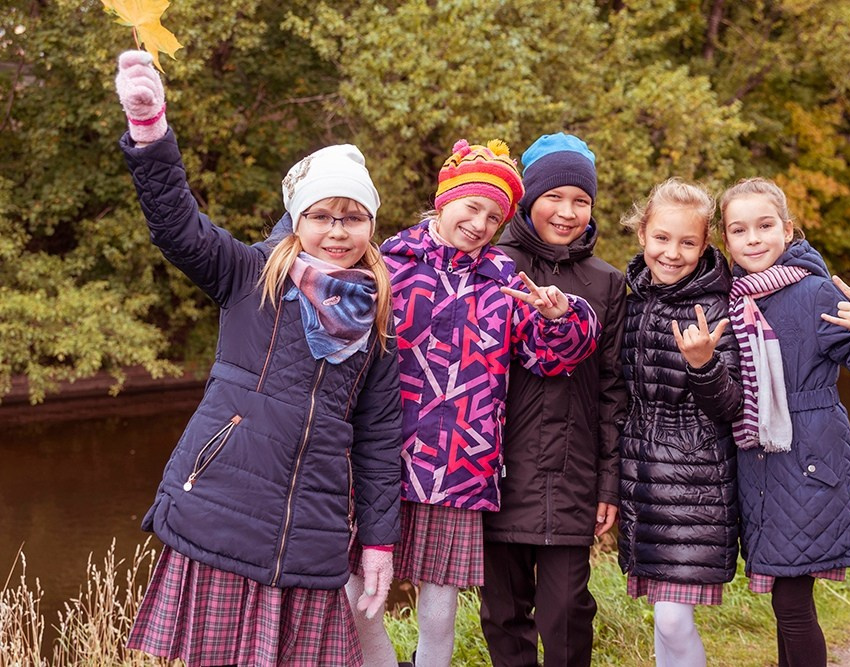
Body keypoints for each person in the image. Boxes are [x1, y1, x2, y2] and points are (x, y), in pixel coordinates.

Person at [114, 50, 403, 667]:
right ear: (297, 221)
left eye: (353, 218)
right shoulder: (249, 274)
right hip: (222, 508)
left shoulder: (377, 316)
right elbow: (176, 227)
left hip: (314, 529)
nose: (337, 230)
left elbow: (379, 437)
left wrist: (378, 540)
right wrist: (150, 131)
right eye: (322, 215)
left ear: (370, 225)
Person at [343, 139, 601, 667]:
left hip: (462, 461)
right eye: (472, 207)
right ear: (444, 200)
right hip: (380, 460)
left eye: (494, 216)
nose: (481, 224)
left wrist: (561, 317)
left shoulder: (504, 279)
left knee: (439, 608)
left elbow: (553, 359)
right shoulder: (389, 264)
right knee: (359, 593)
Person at [720, 177, 850, 667]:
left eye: (764, 226)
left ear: (788, 229)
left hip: (807, 462)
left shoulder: (816, 292)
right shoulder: (733, 298)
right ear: (726, 240)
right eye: (739, 230)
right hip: (757, 464)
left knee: (792, 602)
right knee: (786, 598)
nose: (753, 238)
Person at [478, 132, 627, 667]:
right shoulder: (491, 265)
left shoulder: (607, 282)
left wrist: (608, 481)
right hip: (495, 471)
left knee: (566, 608)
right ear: (528, 199)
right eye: (554, 197)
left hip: (572, 472)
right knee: (502, 611)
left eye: (581, 201)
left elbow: (613, 390)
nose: (567, 212)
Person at [616, 178, 743, 667]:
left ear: (704, 244)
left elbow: (732, 408)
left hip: (696, 482)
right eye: (662, 238)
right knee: (663, 614)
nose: (673, 252)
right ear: (643, 235)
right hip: (640, 478)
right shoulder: (631, 303)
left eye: (688, 242)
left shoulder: (716, 308)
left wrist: (704, 364)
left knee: (672, 618)